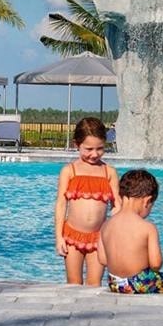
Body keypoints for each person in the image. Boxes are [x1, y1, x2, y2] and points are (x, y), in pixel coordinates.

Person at [54, 117, 121, 285]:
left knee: (94, 285)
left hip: (98, 238)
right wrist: (59, 237)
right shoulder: (70, 171)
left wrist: (117, 216)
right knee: (74, 283)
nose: (94, 154)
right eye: (88, 149)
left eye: (100, 148)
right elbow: (61, 205)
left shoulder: (109, 172)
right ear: (77, 145)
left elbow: (117, 204)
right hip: (71, 236)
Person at [97, 169, 163, 294]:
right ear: (147, 201)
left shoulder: (106, 225)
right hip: (139, 283)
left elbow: (102, 259)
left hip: (115, 283)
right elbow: (156, 264)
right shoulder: (148, 227)